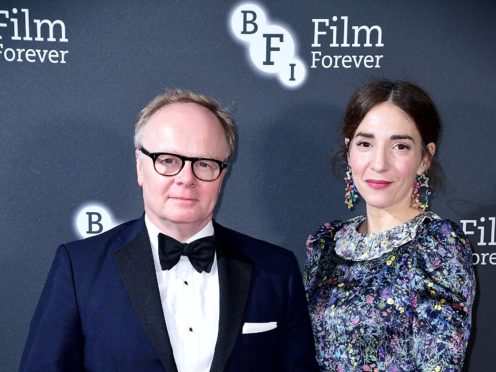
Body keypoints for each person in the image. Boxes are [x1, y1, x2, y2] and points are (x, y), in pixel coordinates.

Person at [20, 88, 319, 372]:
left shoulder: (277, 270)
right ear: (140, 165)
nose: (186, 178)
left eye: (204, 163)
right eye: (168, 160)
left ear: (223, 173)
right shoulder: (79, 269)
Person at [304, 80, 475, 371]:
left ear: (425, 158)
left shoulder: (436, 246)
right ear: (349, 151)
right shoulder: (325, 244)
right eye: (366, 144)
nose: (379, 163)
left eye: (400, 146)